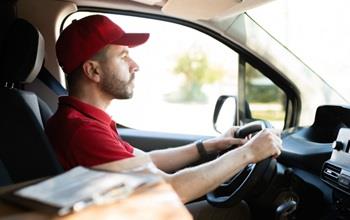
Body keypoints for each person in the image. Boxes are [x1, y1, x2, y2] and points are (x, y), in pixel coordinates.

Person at [46, 15, 282, 220]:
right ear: (93, 71)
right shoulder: (82, 132)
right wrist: (249, 152)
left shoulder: (83, 121)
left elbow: (146, 160)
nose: (135, 65)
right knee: (234, 211)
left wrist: (210, 145)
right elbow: (172, 190)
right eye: (123, 56)